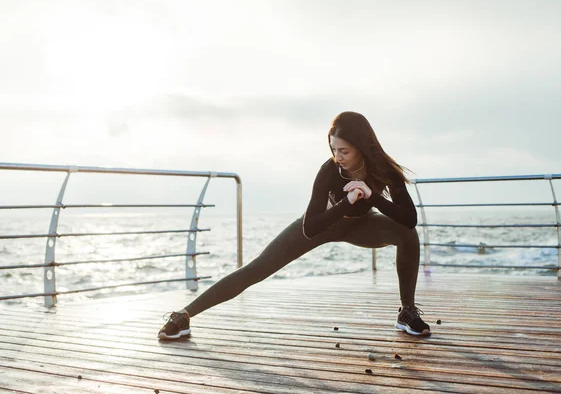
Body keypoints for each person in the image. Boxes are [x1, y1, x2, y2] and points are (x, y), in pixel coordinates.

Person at [158, 111, 430, 339]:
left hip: (362, 225)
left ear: (362, 147)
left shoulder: (382, 168)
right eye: (334, 149)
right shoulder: (328, 171)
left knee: (408, 235)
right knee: (258, 267)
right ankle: (184, 315)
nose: (339, 156)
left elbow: (409, 218)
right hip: (323, 224)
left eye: (344, 150)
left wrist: (372, 196)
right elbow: (311, 227)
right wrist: (346, 203)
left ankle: (407, 311)